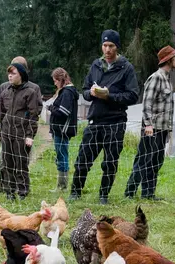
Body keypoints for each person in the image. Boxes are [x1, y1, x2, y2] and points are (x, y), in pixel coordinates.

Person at [69, 29, 139, 205]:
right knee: (83, 159)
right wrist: (91, 93)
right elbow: (84, 90)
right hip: (95, 120)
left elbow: (133, 95)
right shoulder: (96, 65)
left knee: (110, 162)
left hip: (115, 122)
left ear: (117, 47)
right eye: (105, 45)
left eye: (111, 46)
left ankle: (103, 195)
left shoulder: (126, 68)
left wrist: (109, 96)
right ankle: (76, 192)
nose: (107, 49)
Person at [124, 45, 175, 201]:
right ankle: (129, 192)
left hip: (162, 128)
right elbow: (147, 104)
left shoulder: (167, 79)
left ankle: (148, 194)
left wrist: (168, 129)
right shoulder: (156, 77)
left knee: (155, 162)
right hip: (152, 128)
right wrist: (148, 125)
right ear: (169, 60)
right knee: (143, 160)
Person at [0, 57, 43, 200]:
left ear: (21, 74)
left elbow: (34, 116)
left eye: (13, 73)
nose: (10, 76)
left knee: (21, 163)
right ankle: (10, 192)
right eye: (8, 73)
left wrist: (30, 135)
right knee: (7, 162)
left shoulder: (31, 91)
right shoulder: (5, 91)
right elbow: (1, 114)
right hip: (6, 132)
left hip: (21, 133)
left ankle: (23, 191)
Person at [48, 68, 79, 191]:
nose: (55, 83)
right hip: (60, 130)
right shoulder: (67, 92)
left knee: (62, 157)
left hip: (62, 130)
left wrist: (51, 108)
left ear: (61, 80)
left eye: (55, 81)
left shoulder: (67, 92)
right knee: (61, 156)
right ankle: (61, 185)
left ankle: (62, 186)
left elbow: (63, 112)